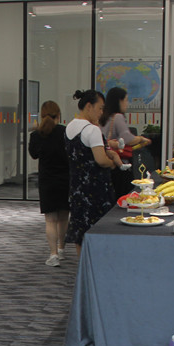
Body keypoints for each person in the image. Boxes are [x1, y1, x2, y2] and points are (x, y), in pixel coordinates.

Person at [65, 89, 120, 256]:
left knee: (80, 231)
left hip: (77, 187)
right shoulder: (92, 130)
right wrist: (113, 163)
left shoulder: (70, 126)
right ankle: (97, 265)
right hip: (96, 189)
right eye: (100, 108)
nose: (102, 112)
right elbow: (101, 159)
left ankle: (82, 266)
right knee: (98, 230)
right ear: (89, 106)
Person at [28, 100, 69, 267]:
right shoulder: (65, 132)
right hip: (65, 179)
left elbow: (34, 155)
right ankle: (61, 249)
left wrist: (36, 129)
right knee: (64, 217)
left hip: (47, 180)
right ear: (58, 115)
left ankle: (53, 255)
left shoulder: (37, 135)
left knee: (50, 220)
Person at [100, 87, 152, 196]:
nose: (127, 104)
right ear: (119, 101)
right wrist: (141, 139)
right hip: (120, 166)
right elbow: (127, 139)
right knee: (124, 196)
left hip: (107, 163)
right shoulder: (118, 117)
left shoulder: (103, 117)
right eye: (126, 100)